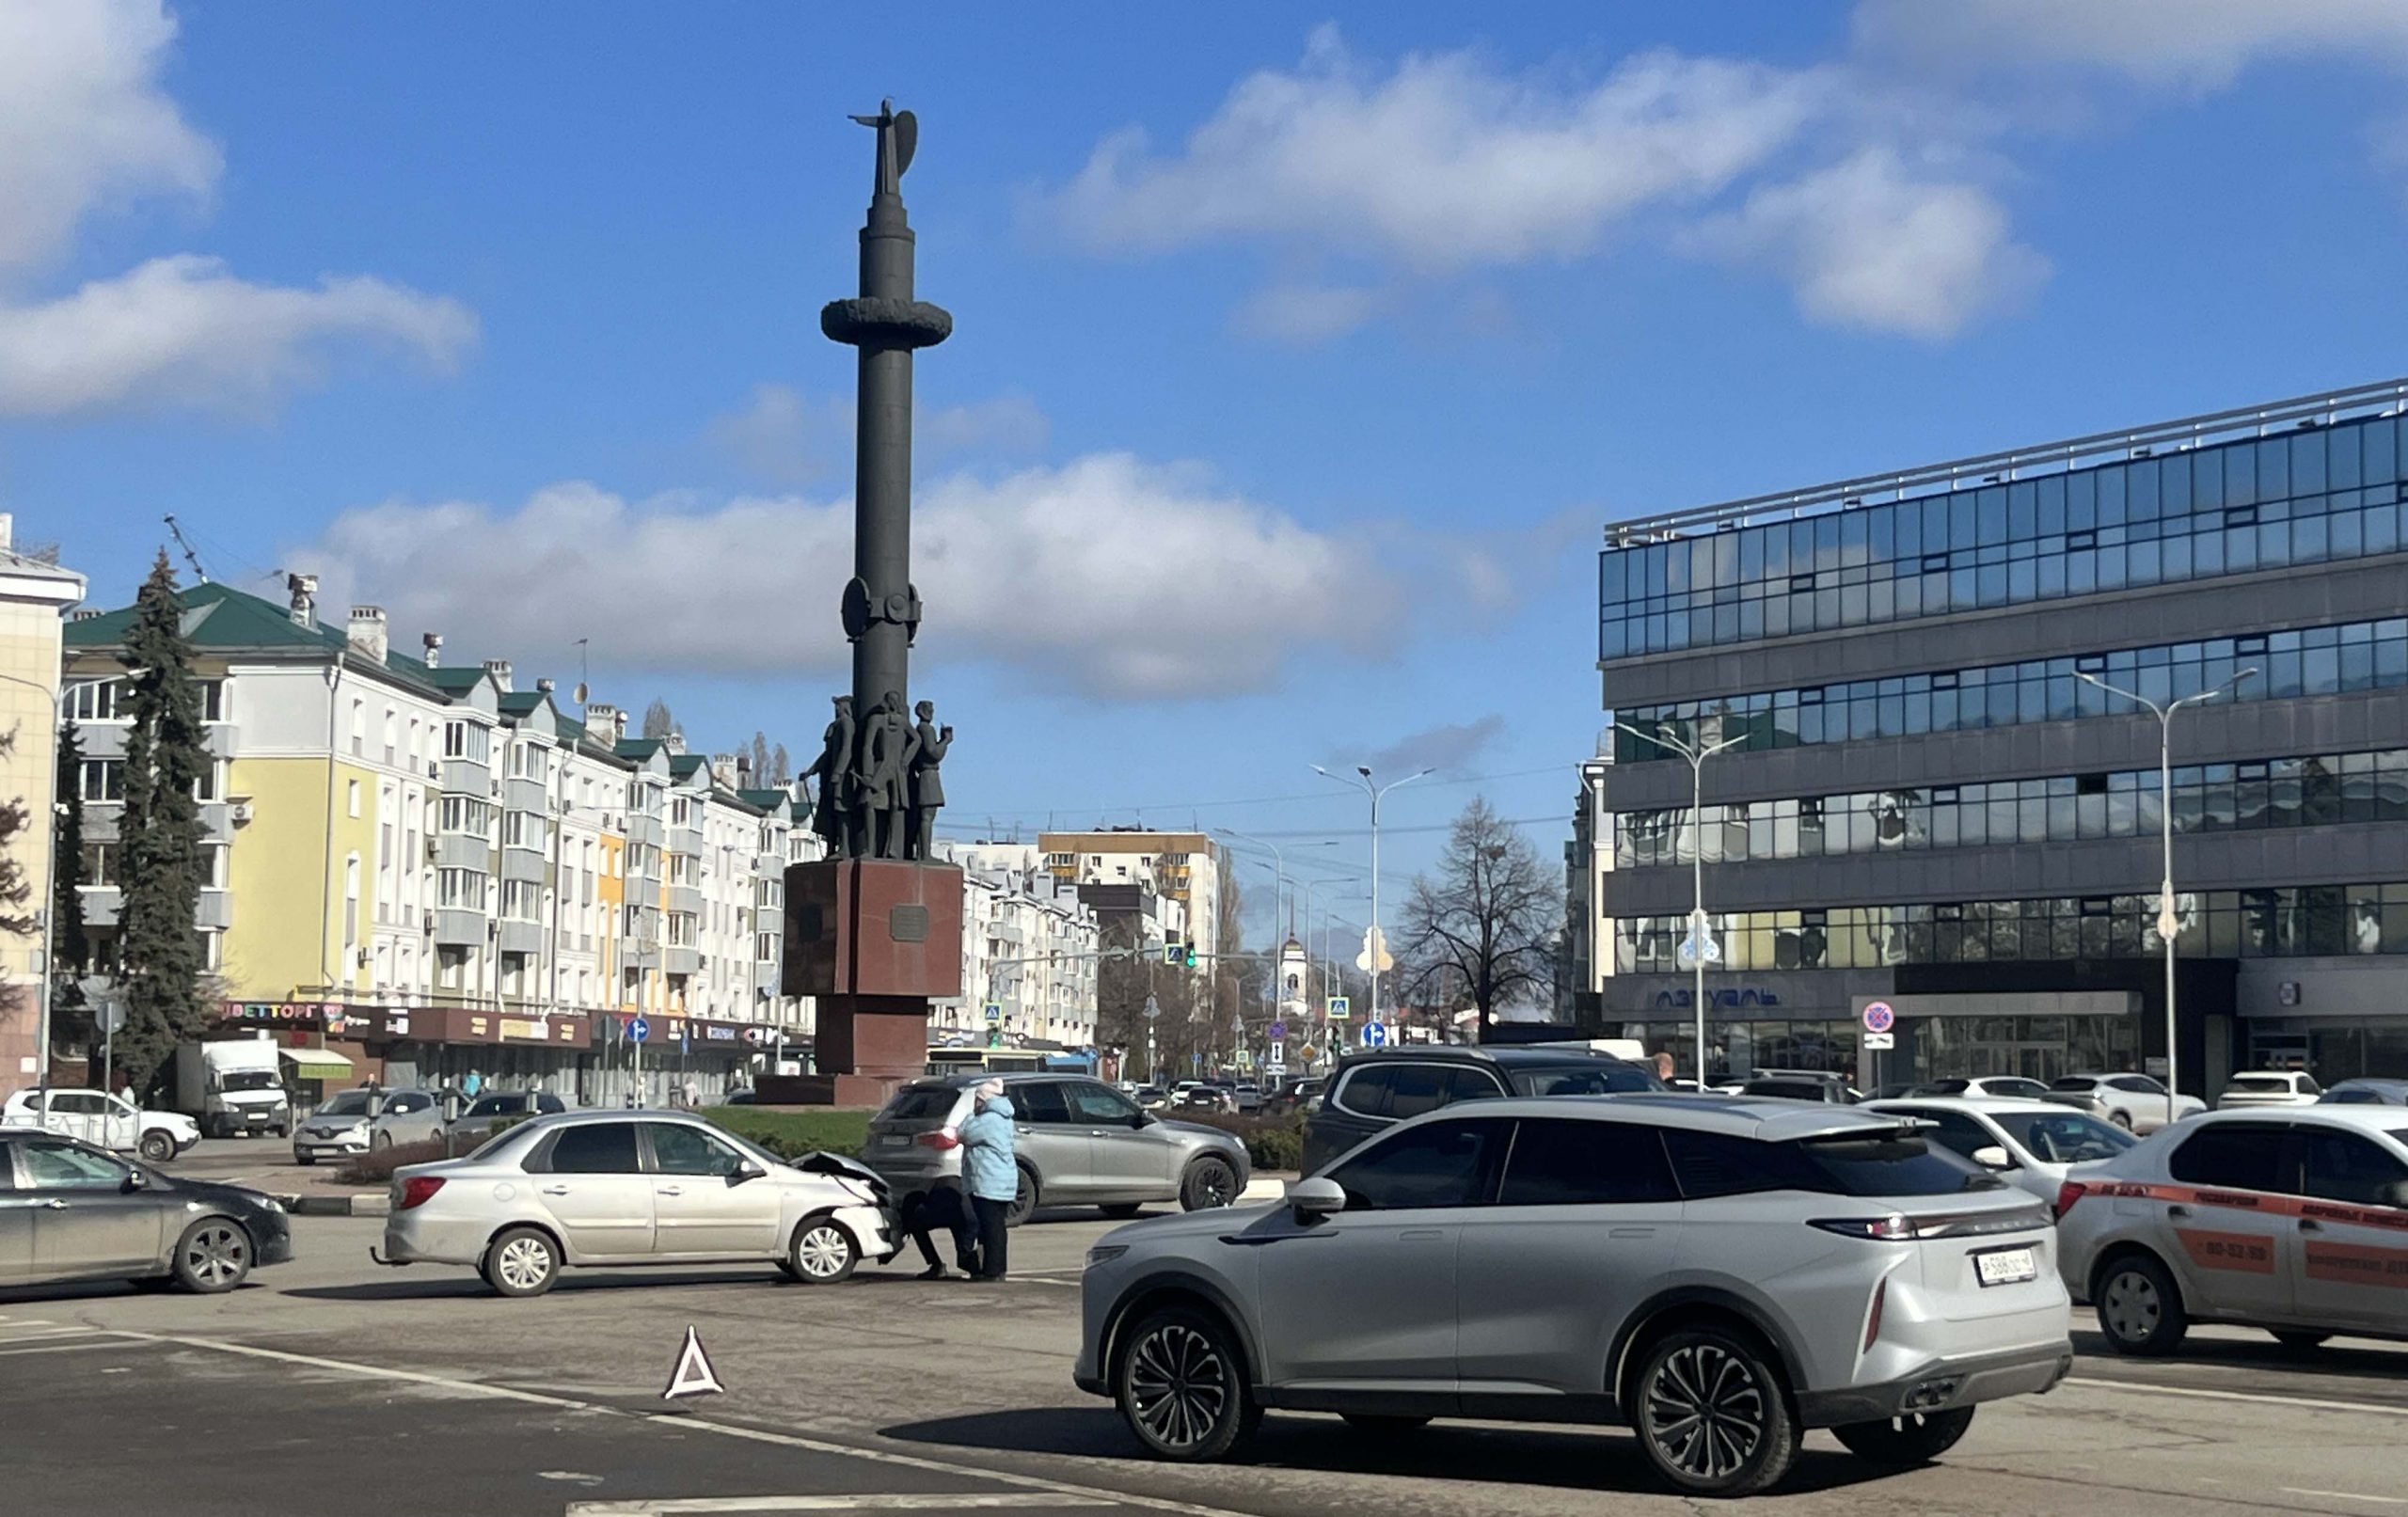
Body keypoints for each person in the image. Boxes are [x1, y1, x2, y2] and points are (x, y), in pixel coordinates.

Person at [956, 1078, 1019, 1282]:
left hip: (990, 1180)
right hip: (999, 1179)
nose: (974, 1104)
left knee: (992, 1228)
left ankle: (993, 1270)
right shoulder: (1003, 1117)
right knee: (991, 1226)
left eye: (977, 1100)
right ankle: (990, 1268)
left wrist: (968, 1117)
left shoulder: (989, 1120)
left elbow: (963, 1133)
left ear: (983, 1101)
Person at [896, 1183, 978, 1280]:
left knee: (915, 1221)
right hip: (962, 1210)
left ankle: (937, 1265)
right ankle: (979, 1268)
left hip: (956, 1211)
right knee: (964, 1259)